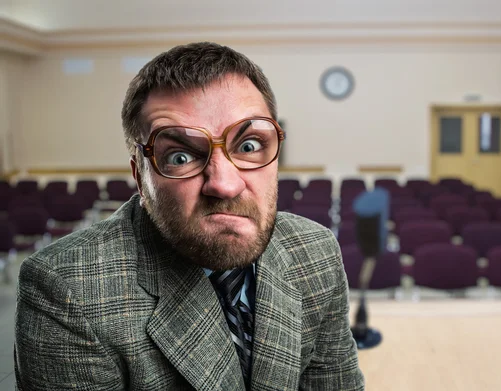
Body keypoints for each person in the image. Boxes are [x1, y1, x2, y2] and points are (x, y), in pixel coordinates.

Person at [14, 42, 364, 390]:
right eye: (180, 157)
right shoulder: (68, 291)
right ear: (140, 177)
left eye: (249, 146)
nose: (225, 185)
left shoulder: (316, 252)